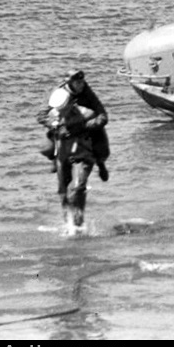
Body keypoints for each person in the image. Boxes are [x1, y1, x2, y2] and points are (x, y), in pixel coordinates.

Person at [36, 69, 109, 229]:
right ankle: (68, 223)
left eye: (82, 82)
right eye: (77, 83)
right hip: (62, 139)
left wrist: (84, 127)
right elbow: (41, 115)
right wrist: (54, 125)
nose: (81, 85)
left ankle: (101, 164)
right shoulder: (57, 95)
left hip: (85, 133)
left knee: (78, 186)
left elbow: (103, 116)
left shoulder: (87, 95)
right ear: (69, 85)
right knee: (62, 188)